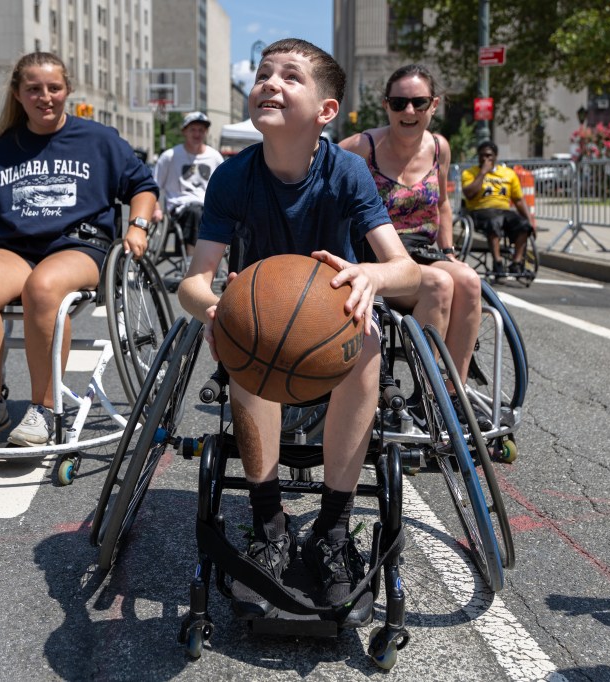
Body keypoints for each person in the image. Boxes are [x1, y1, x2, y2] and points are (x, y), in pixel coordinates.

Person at [178, 38, 417, 628]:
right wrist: (216, 308)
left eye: (290, 76)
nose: (270, 83)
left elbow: (407, 270)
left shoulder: (348, 171)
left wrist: (371, 274)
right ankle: (269, 524)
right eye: (263, 74)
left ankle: (333, 531)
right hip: (262, 337)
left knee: (367, 341)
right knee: (256, 340)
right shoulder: (233, 178)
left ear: (326, 111)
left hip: (332, 333)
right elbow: (192, 282)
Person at [0, 51, 158, 448]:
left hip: (79, 245)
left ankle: (43, 405)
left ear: (68, 90)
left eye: (54, 88)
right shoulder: (0, 147)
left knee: (43, 287)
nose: (45, 97)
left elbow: (142, 187)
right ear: (18, 95)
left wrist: (138, 226)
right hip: (14, 246)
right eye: (33, 89)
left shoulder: (99, 139)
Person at [339, 64, 482, 397]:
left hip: (421, 250)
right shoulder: (361, 146)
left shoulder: (438, 147)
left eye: (419, 102)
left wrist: (449, 252)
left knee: (470, 280)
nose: (409, 110)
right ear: (386, 105)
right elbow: (315, 169)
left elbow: (443, 205)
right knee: (439, 284)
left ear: (434, 105)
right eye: (399, 102)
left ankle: (453, 391)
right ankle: (428, 396)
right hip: (375, 253)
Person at [151, 112, 224, 256]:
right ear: (184, 131)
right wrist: (156, 209)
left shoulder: (215, 157)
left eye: (201, 130)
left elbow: (225, 187)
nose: (197, 134)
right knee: (196, 212)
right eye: (193, 130)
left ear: (206, 132)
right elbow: (153, 185)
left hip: (207, 207)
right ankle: (193, 258)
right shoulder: (169, 156)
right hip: (180, 207)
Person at [461, 140, 536, 278]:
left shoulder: (508, 174)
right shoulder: (470, 173)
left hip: (503, 210)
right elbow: (469, 194)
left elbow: (518, 200)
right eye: (482, 155)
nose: (485, 158)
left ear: (495, 156)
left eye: (489, 156)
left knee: (524, 225)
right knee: (494, 222)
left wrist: (530, 220)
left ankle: (516, 262)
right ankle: (498, 262)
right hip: (480, 210)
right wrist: (483, 172)